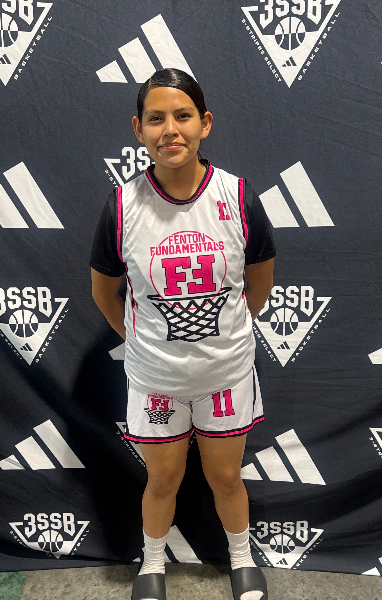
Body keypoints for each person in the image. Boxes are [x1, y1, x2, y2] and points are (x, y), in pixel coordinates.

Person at [90, 68, 275, 600]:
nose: (170, 129)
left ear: (205, 123)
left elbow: (258, 287)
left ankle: (241, 559)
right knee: (161, 481)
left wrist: (221, 338)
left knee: (227, 479)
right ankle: (151, 564)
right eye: (156, 118)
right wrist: (145, 342)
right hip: (157, 380)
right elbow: (105, 293)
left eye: (183, 116)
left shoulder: (237, 197)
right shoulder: (122, 207)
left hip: (225, 374)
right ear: (138, 129)